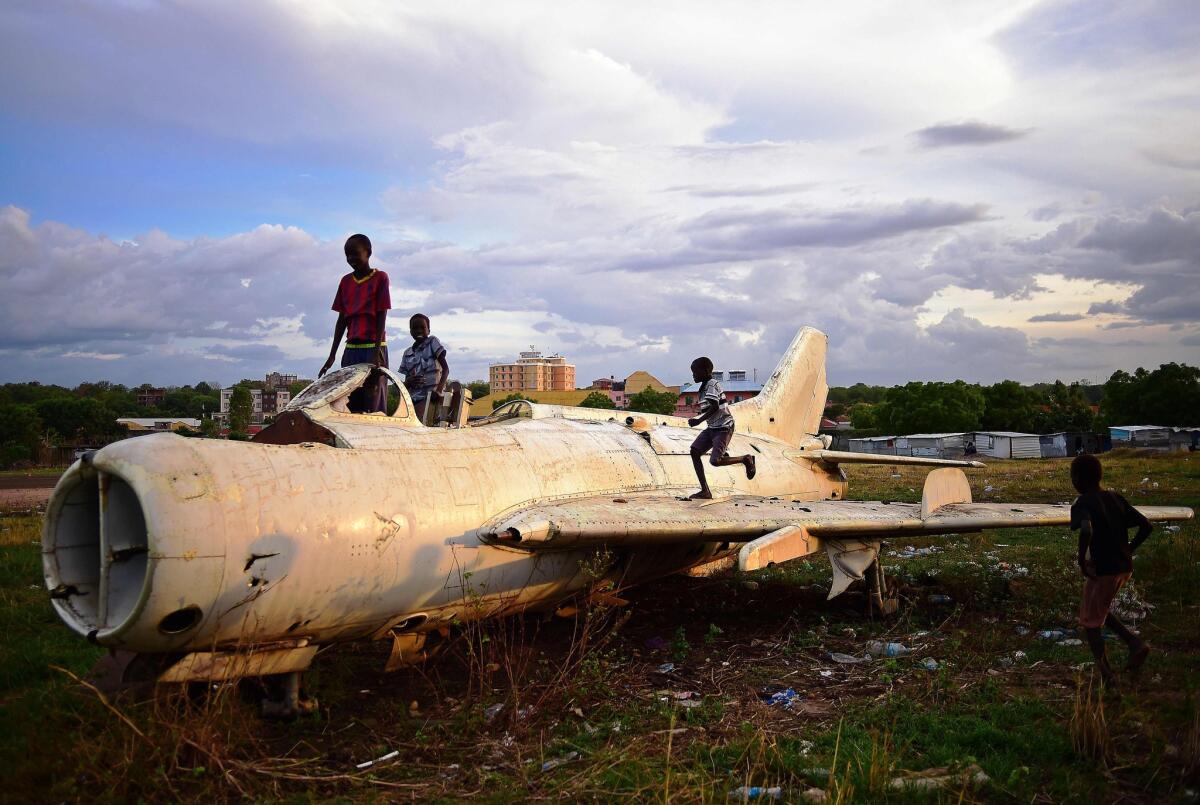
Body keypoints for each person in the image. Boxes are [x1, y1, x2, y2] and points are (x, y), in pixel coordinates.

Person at [1070, 453, 1153, 685]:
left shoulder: (1083, 503)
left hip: (1103, 569)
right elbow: (1146, 526)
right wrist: (1128, 549)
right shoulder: (1115, 498)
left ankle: (1107, 674)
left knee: (1090, 621)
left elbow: (1086, 529)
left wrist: (1080, 559)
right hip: (1124, 567)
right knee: (1100, 610)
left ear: (1077, 478)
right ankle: (1133, 642)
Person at [319, 234, 392, 413]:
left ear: (368, 253)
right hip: (351, 349)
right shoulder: (345, 282)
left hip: (373, 348)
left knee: (373, 400)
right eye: (347, 255)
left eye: (355, 254)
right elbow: (342, 320)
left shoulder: (380, 277)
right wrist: (332, 355)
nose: (351, 259)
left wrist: (376, 353)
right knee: (351, 401)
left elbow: (382, 315)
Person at [686, 357, 755, 500]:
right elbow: (710, 407)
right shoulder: (704, 387)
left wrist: (698, 420)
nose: (693, 375)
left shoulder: (711, 384)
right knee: (695, 451)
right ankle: (705, 490)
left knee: (715, 461)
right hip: (712, 427)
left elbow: (715, 406)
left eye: (695, 372)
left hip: (723, 427)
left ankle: (745, 459)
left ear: (705, 371)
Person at [399, 313, 449, 423]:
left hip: (431, 397)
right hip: (412, 399)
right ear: (411, 331)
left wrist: (439, 390)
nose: (419, 330)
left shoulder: (432, 342)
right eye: (415, 328)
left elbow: (446, 369)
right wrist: (408, 382)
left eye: (422, 327)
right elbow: (406, 384)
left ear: (429, 330)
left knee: (418, 420)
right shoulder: (407, 353)